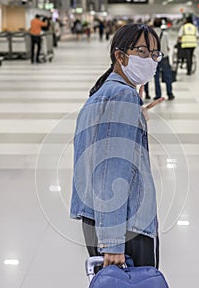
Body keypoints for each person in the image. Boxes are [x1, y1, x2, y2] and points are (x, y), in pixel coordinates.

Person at [70, 24, 164, 268]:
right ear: (120, 56)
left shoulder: (105, 92)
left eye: (155, 54)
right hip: (123, 226)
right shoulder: (122, 96)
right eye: (142, 52)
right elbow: (110, 168)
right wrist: (112, 242)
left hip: (102, 219)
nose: (150, 60)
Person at [153, 18, 175, 101]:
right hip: (164, 56)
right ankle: (170, 94)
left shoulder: (151, 34)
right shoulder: (165, 34)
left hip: (154, 57)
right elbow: (167, 46)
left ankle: (158, 95)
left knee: (156, 76)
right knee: (168, 76)